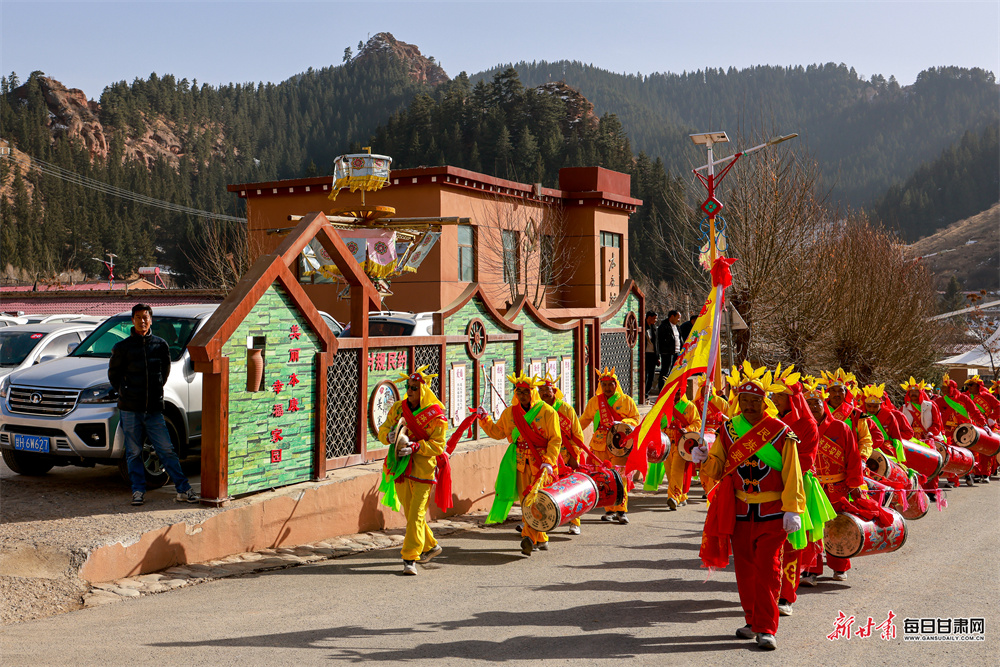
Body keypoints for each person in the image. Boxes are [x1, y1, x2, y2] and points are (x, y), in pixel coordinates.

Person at [694, 365, 806, 651]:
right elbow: (718, 468)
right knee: (744, 571)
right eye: (744, 400)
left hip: (773, 511)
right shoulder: (729, 429)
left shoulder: (780, 431)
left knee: (768, 569)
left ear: (764, 402)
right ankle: (752, 620)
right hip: (740, 512)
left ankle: (766, 627)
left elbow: (792, 471)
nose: (749, 406)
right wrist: (704, 458)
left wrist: (793, 507)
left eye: (755, 401)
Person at [800, 380, 891, 585]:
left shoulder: (840, 427)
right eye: (809, 404)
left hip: (838, 487)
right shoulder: (801, 429)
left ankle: (839, 567)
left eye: (817, 403)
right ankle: (811, 570)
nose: (813, 407)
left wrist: (855, 484)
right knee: (812, 527)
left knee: (838, 526)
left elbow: (853, 458)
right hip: (812, 487)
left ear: (824, 405)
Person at [108, 304, 198, 506]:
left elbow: (163, 374)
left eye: (146, 317)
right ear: (132, 320)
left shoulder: (160, 345)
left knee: (166, 450)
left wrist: (154, 392)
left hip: (154, 410)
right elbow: (113, 376)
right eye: (138, 317)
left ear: (151, 320)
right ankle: (138, 491)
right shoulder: (122, 347)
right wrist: (127, 392)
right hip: (130, 410)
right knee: (133, 452)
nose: (142, 321)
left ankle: (183, 489)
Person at [377, 366, 449, 575]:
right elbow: (384, 429)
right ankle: (431, 545)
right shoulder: (398, 409)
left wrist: (417, 446)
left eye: (414, 388)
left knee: (417, 514)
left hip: (423, 470)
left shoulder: (436, 415)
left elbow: (439, 445)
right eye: (408, 387)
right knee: (411, 515)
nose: (409, 391)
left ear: (423, 390)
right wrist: (389, 436)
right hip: (400, 466)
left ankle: (410, 558)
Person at [480, 372, 562, 556]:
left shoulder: (547, 412)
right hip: (520, 462)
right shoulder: (510, 413)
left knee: (537, 500)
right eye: (519, 392)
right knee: (526, 501)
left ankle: (529, 538)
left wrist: (549, 461)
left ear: (533, 392)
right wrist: (485, 420)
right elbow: (498, 433)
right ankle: (540, 538)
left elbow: (555, 439)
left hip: (541, 463)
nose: (522, 395)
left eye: (526, 392)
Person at [769, 365, 820, 617]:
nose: (774, 399)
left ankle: (786, 596)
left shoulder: (807, 424)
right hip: (767, 488)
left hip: (795, 488)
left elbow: (806, 461)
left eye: (779, 395)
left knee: (791, 546)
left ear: (790, 399)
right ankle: (767, 594)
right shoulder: (768, 421)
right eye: (773, 395)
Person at [580, 368, 640, 524]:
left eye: (610, 384)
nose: (607, 388)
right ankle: (609, 509)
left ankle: (621, 510)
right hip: (599, 444)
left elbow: (635, 419)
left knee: (620, 476)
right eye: (604, 384)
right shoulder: (595, 401)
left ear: (616, 384)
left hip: (619, 444)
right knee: (604, 477)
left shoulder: (626, 400)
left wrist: (623, 423)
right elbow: (584, 420)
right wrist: (573, 433)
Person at [538, 374, 586, 535]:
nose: (544, 393)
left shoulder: (566, 409)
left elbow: (577, 435)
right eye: (541, 390)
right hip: (547, 456)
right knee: (545, 489)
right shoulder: (537, 410)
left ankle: (575, 522)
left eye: (547, 390)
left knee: (570, 489)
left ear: (554, 391)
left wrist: (574, 456)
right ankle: (543, 522)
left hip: (566, 455)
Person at [935, 374, 986, 487]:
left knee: (965, 454)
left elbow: (975, 412)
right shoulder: (940, 401)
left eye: (946, 388)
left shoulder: (964, 399)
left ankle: (967, 473)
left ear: (952, 388)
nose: (944, 390)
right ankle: (952, 479)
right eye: (943, 388)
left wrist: (984, 424)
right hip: (948, 433)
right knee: (951, 455)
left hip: (964, 431)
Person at [963, 375, 1000, 482]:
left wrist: (992, 418)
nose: (969, 387)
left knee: (986, 451)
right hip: (972, 426)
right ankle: (976, 473)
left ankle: (985, 473)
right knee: (972, 450)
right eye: (968, 385)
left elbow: (998, 407)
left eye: (971, 385)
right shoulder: (965, 396)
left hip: (986, 427)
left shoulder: (987, 396)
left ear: (978, 386)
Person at [656, 311, 682, 390]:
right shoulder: (664, 327)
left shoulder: (677, 327)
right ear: (672, 317)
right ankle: (662, 389)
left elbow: (680, 339)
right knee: (665, 372)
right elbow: (660, 341)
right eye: (678, 318)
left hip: (677, 352)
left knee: (674, 372)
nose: (679, 320)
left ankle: (672, 389)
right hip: (667, 353)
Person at [643, 311, 660, 398]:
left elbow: (656, 343)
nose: (656, 320)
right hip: (645, 354)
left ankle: (647, 392)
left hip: (653, 354)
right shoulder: (643, 327)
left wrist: (658, 357)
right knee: (645, 374)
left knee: (651, 375)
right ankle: (643, 392)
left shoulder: (654, 328)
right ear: (649, 317)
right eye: (654, 318)